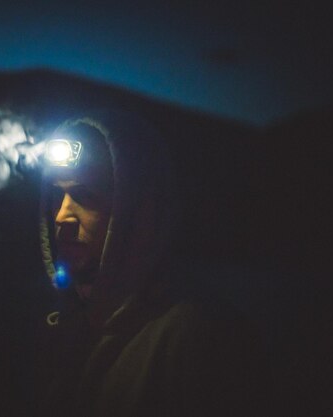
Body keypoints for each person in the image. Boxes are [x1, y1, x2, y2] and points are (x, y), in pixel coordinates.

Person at [34, 112, 271, 417]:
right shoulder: (60, 325)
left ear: (138, 212)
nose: (61, 217)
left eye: (84, 196)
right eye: (57, 195)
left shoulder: (202, 338)